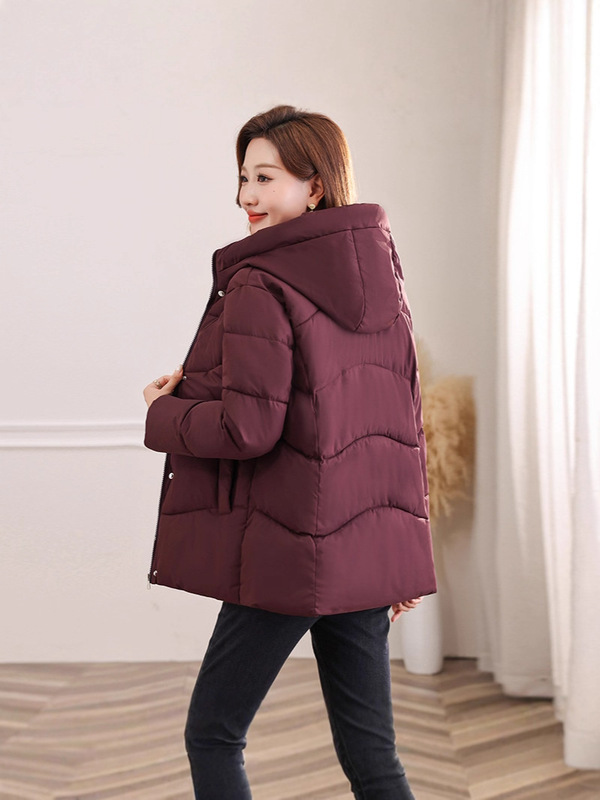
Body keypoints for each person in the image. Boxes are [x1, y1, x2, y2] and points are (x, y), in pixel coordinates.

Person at [143, 105, 437, 799]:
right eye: (243, 177)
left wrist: (164, 414)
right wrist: (396, 556)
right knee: (373, 758)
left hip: (287, 549)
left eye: (266, 177)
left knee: (213, 734)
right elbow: (398, 424)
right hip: (360, 551)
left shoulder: (258, 281)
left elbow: (248, 429)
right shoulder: (382, 278)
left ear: (316, 186)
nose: (246, 196)